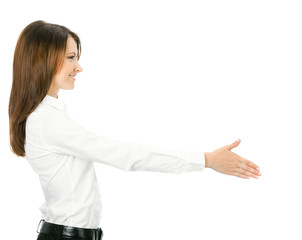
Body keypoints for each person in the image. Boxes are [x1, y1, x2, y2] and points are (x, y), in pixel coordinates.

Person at [8, 20, 262, 240]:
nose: (79, 67)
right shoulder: (47, 121)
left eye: (78, 57)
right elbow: (125, 155)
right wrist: (206, 160)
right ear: (44, 59)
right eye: (71, 57)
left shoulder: (48, 116)